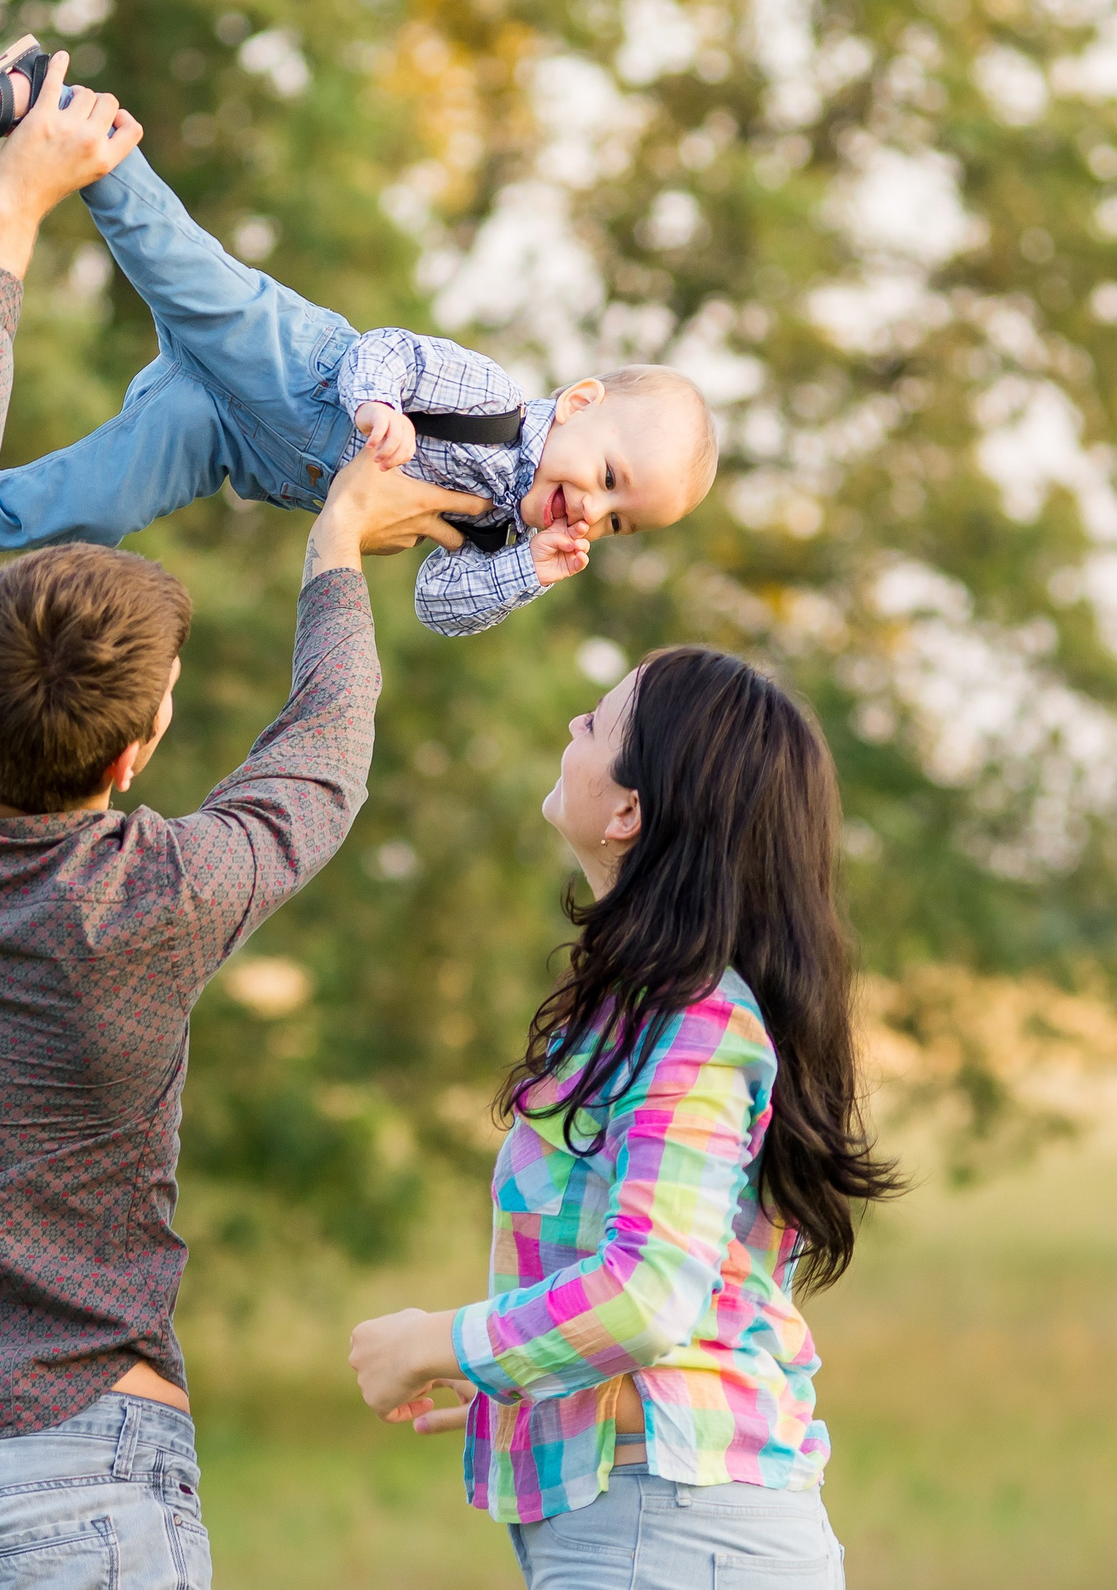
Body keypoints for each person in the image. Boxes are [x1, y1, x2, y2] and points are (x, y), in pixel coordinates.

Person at [0, 56, 491, 1590]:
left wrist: (8, 207)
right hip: (79, 1485)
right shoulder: (149, 904)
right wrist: (339, 543)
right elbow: (323, 760)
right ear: (140, 746)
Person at [0, 34, 721, 638]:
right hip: (285, 362)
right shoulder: (492, 401)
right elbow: (390, 348)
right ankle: (57, 100)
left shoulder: (498, 536)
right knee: (167, 255)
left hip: (225, 438)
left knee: (98, 503)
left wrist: (530, 569)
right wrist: (378, 407)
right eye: (609, 479)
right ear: (578, 404)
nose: (593, 512)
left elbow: (437, 605)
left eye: (616, 525)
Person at [345, 646, 904, 1588]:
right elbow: (680, 1289)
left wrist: (435, 1340)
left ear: (628, 811)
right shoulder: (657, 1009)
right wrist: (502, 1372)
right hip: (665, 1526)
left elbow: (646, 1296)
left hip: (676, 1534)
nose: (572, 727)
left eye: (598, 724)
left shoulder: (694, 1019)